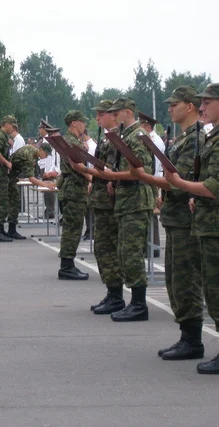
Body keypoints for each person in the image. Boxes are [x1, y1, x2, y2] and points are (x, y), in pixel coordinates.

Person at [165, 83, 219, 374]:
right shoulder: (216, 136)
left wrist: (181, 184)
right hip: (212, 221)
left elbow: (213, 187)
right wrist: (193, 194)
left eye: (207, 102)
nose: (201, 107)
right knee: (213, 288)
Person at [130, 86, 205, 359]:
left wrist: (146, 178)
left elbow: (181, 182)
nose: (170, 108)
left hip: (187, 221)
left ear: (190, 106)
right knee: (175, 280)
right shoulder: (183, 138)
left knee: (186, 281)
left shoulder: (197, 138)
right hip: (175, 219)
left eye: (175, 104)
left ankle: (193, 340)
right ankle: (187, 336)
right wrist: (160, 193)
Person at [75, 98, 155, 321]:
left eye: (114, 112)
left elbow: (143, 171)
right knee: (119, 251)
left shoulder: (137, 136)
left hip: (136, 199)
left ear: (127, 113)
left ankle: (138, 304)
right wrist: (113, 178)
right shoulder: (125, 136)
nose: (111, 116)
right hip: (125, 198)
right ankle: (118, 297)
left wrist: (112, 176)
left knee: (130, 253)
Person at [84, 100, 126, 314]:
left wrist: (85, 168)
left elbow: (111, 170)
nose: (98, 118)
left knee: (108, 248)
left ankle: (117, 296)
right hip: (100, 200)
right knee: (102, 249)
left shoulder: (116, 139)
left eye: (102, 114)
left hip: (109, 202)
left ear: (113, 116)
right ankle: (112, 292)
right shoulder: (106, 139)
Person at [57, 110, 91, 280]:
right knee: (73, 229)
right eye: (82, 121)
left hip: (73, 187)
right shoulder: (71, 142)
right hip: (74, 188)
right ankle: (67, 265)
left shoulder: (73, 141)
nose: (85, 125)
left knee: (72, 228)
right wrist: (92, 178)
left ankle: (67, 264)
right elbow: (76, 165)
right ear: (74, 123)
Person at [139, 111, 165, 256]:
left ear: (148, 127)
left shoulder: (154, 141)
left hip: (152, 180)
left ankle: (153, 247)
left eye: (141, 125)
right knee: (150, 214)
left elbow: (154, 165)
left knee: (152, 214)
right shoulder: (151, 139)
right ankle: (151, 246)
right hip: (151, 179)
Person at [38, 120, 61, 219]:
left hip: (58, 175)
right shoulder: (54, 147)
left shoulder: (60, 147)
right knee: (47, 191)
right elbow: (53, 162)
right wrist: (49, 171)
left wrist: (54, 172)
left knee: (53, 193)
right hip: (51, 172)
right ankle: (50, 210)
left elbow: (60, 165)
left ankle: (52, 210)